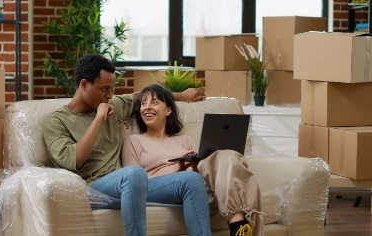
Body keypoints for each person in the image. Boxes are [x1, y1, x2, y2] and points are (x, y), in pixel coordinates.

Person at [41, 54, 206, 236]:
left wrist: (181, 96)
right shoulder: (55, 121)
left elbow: (138, 96)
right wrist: (98, 120)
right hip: (93, 190)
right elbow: (76, 159)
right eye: (104, 89)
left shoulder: (113, 105)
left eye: (112, 89)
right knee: (134, 173)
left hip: (131, 188)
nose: (110, 95)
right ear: (84, 84)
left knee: (192, 180)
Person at [122, 84, 264, 236]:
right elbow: (132, 183)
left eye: (154, 102)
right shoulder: (133, 141)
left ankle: (238, 226)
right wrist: (178, 170)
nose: (147, 107)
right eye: (143, 103)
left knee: (228, 156)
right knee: (190, 178)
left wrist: (195, 167)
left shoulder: (185, 140)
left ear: (168, 110)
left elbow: (198, 177)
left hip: (193, 190)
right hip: (156, 189)